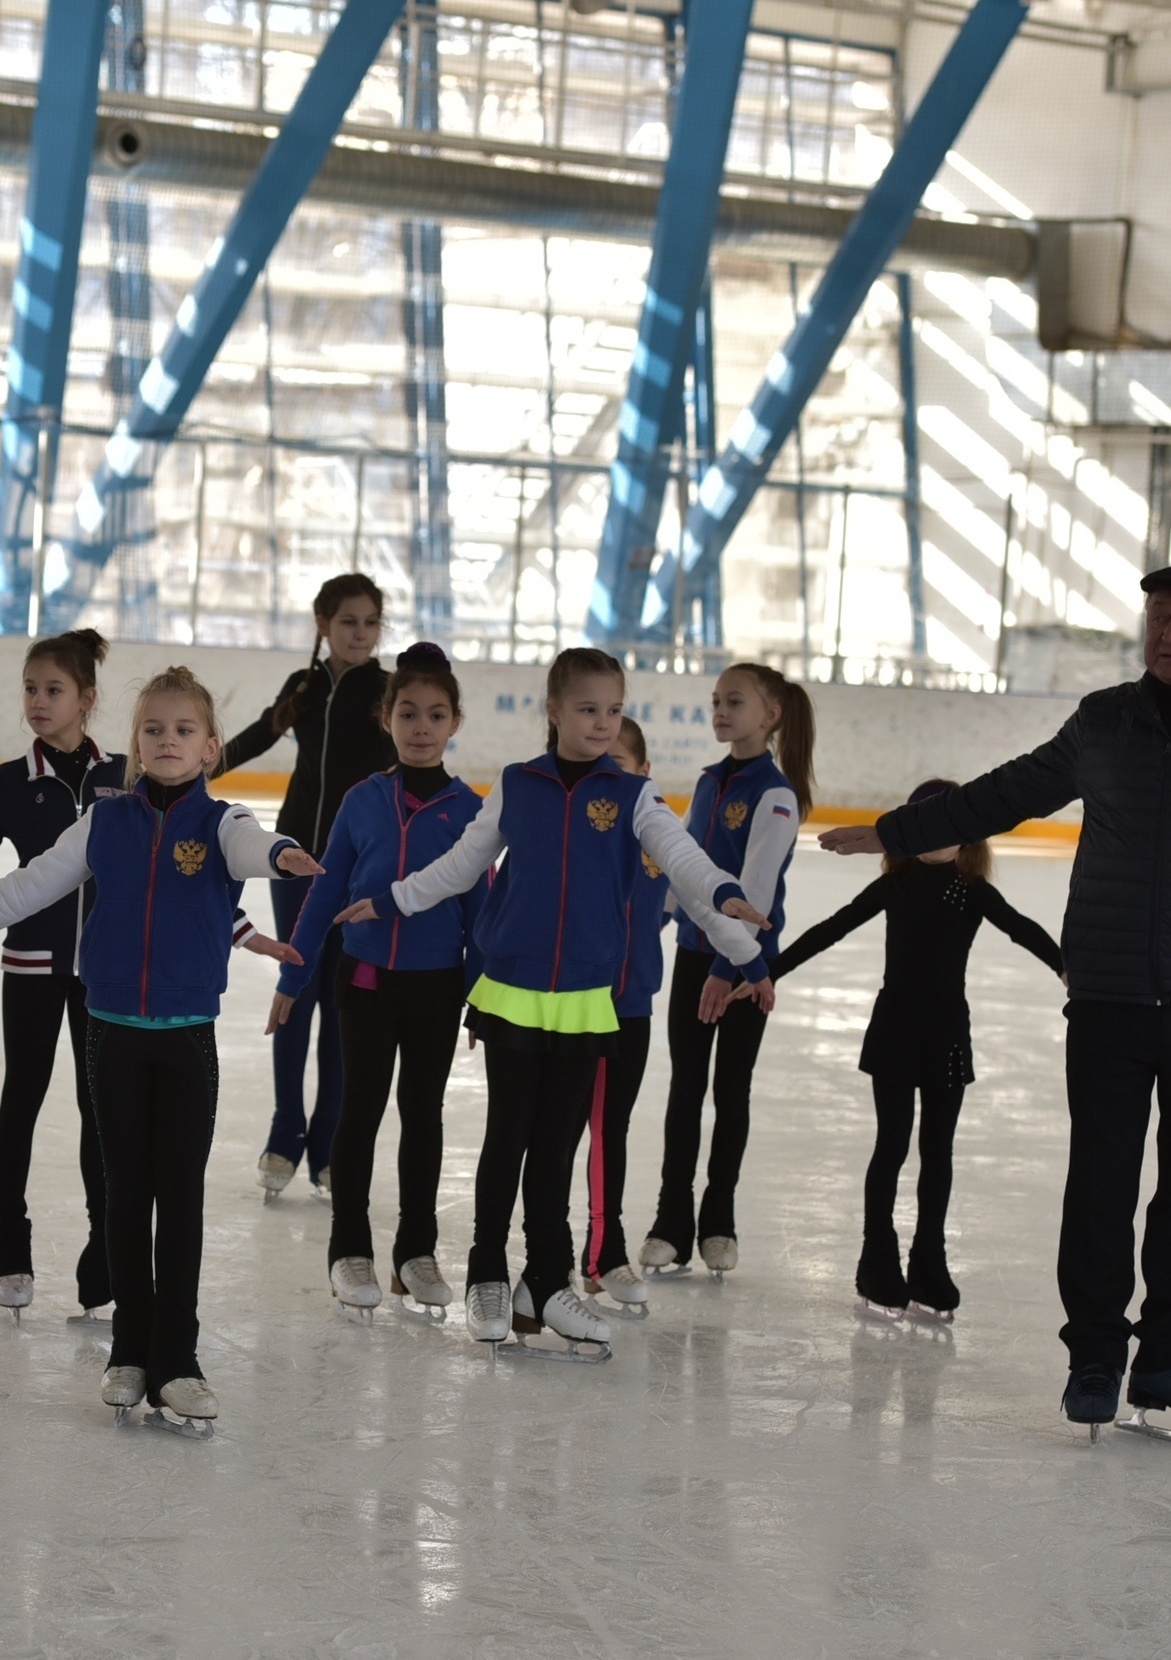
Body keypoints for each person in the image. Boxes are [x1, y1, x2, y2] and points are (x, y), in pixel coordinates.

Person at [822, 563, 1171, 1446]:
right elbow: (1006, 792)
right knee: (1100, 1183)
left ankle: (1165, 1356)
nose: (1169, 631)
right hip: (1111, 994)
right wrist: (899, 832)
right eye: (1158, 615)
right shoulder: (1105, 719)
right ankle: (1093, 1357)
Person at [0, 666, 321, 1434]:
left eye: (184, 730)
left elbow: (250, 846)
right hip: (111, 1037)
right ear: (134, 743)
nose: (168, 741)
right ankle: (130, 1349)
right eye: (154, 729)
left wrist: (284, 853)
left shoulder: (220, 821)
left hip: (186, 1042)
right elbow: (30, 885)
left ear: (209, 746)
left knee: (182, 1197)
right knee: (126, 1193)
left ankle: (181, 1357)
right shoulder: (104, 823)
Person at [338, 648, 773, 1360]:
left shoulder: (633, 794)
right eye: (587, 708)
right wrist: (393, 897)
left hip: (582, 1001)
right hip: (512, 990)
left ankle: (545, 1282)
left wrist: (732, 912)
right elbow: (461, 864)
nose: (602, 722)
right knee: (507, 1136)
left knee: (557, 1148)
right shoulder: (518, 785)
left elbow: (686, 861)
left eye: (612, 709)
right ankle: (487, 1271)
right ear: (553, 710)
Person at [769, 780, 1064, 1323]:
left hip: (947, 1033)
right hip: (896, 1030)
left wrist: (1069, 969)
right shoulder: (897, 886)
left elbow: (1024, 930)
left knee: (938, 1151)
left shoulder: (970, 889)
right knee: (891, 1145)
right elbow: (831, 929)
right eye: (924, 826)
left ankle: (930, 1265)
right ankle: (876, 1263)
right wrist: (766, 973)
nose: (936, 839)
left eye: (949, 827)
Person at [267, 643, 485, 1323]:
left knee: (423, 1114)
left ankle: (415, 1250)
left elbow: (482, 913)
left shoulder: (469, 809)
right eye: (409, 712)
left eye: (436, 714)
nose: (422, 726)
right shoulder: (363, 801)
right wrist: (293, 976)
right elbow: (323, 891)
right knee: (360, 1110)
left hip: (437, 986)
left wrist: (479, 996)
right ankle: (349, 1246)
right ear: (386, 717)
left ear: (455, 722)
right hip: (362, 978)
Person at [0, 629, 125, 1320]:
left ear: (87, 699)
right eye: (30, 688)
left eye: (54, 689)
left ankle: (106, 1246)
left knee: (100, 1110)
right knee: (24, 1096)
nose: (38, 702)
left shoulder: (122, 779)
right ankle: (9, 1241)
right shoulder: (11, 784)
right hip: (34, 966)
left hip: (104, 972)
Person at [217, 573, 394, 1196]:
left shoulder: (388, 691)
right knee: (297, 989)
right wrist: (196, 765)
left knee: (343, 1004)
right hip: (294, 861)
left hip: (359, 865)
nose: (360, 634)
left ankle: (328, 1137)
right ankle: (284, 1127)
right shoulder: (306, 686)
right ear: (323, 625)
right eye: (348, 622)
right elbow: (258, 734)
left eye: (370, 623)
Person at [644, 663, 812, 1281]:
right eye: (716, 701)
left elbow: (758, 893)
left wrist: (728, 966)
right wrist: (645, 930)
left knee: (729, 1090)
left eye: (734, 702)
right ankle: (670, 1222)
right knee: (684, 1087)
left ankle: (719, 1220)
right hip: (696, 957)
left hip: (745, 969)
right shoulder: (710, 781)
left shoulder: (775, 794)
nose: (720, 711)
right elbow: (682, 870)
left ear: (770, 717)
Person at [574, 715, 666, 1319]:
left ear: (644, 774)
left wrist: (745, 960)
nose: (614, 782)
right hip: (579, 1002)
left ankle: (600, 1253)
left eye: (623, 768)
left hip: (631, 1007)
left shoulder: (661, 838)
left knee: (612, 1129)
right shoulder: (580, 837)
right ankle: (588, 1253)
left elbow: (694, 902)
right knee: (561, 1133)